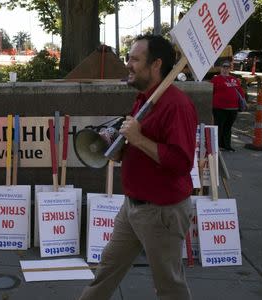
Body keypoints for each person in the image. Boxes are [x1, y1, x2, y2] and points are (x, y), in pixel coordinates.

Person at [80, 34, 198, 300]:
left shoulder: (177, 105)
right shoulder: (145, 98)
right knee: (106, 271)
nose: (128, 65)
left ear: (156, 64)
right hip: (132, 208)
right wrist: (120, 148)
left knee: (169, 286)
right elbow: (140, 146)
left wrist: (138, 138)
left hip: (162, 213)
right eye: (128, 58)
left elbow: (181, 163)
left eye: (134, 59)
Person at [211, 60, 246, 152]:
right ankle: (216, 146)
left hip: (233, 108)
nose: (225, 70)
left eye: (227, 68)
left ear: (230, 69)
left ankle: (226, 145)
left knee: (228, 127)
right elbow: (211, 92)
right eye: (223, 68)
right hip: (219, 108)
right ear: (220, 68)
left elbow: (240, 91)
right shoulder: (215, 79)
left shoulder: (234, 79)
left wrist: (243, 101)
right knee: (219, 127)